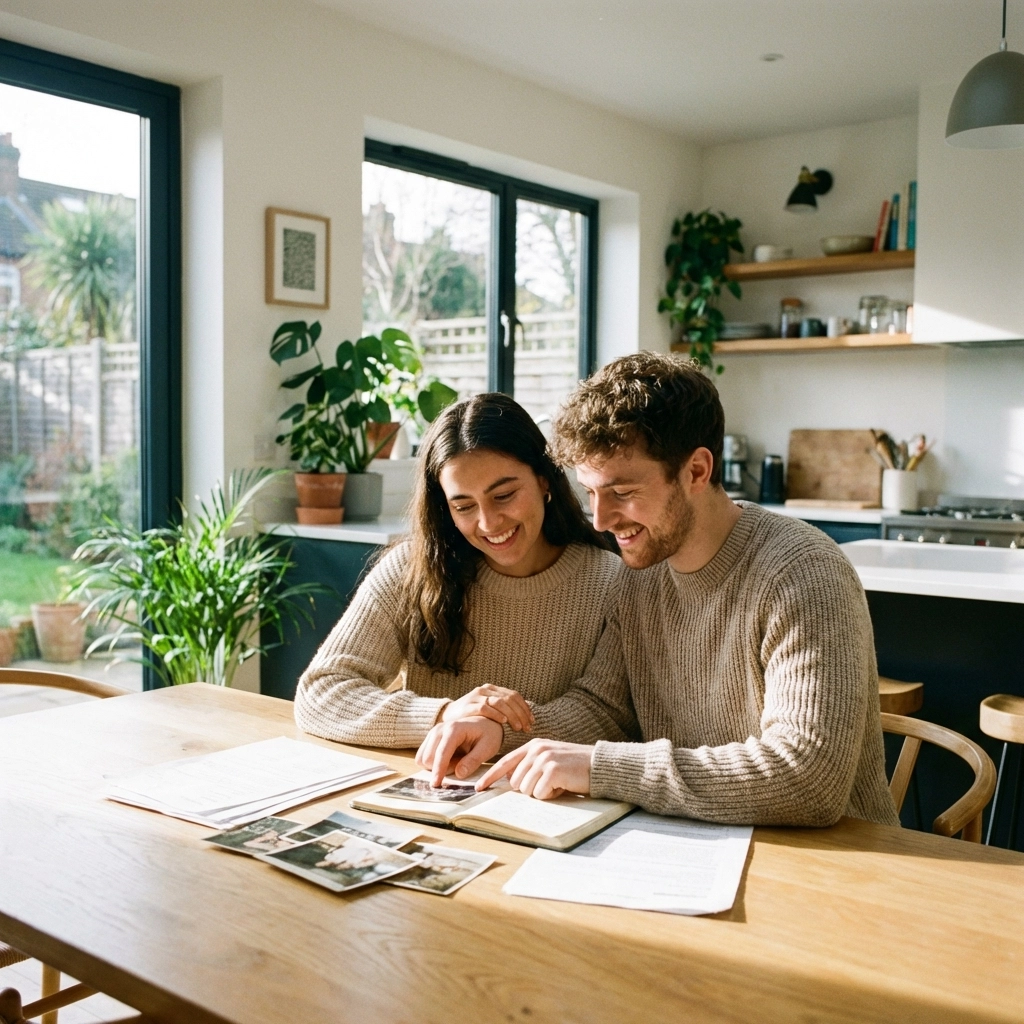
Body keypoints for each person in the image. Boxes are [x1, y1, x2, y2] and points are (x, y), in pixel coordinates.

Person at [417, 353, 900, 828]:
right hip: (700, 844)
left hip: (838, 865)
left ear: (696, 471)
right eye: (590, 493)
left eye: (622, 493)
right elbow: (603, 710)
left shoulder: (801, 571)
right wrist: (497, 732)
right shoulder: (640, 575)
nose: (602, 521)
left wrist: (600, 767)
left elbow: (806, 779)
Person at [293, 392, 621, 750]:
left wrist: (495, 731)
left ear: (544, 480)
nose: (488, 522)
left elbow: (606, 717)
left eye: (504, 495)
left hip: (548, 798)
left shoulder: (610, 581)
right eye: (463, 505)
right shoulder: (411, 569)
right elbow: (320, 691)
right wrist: (443, 716)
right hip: (429, 789)